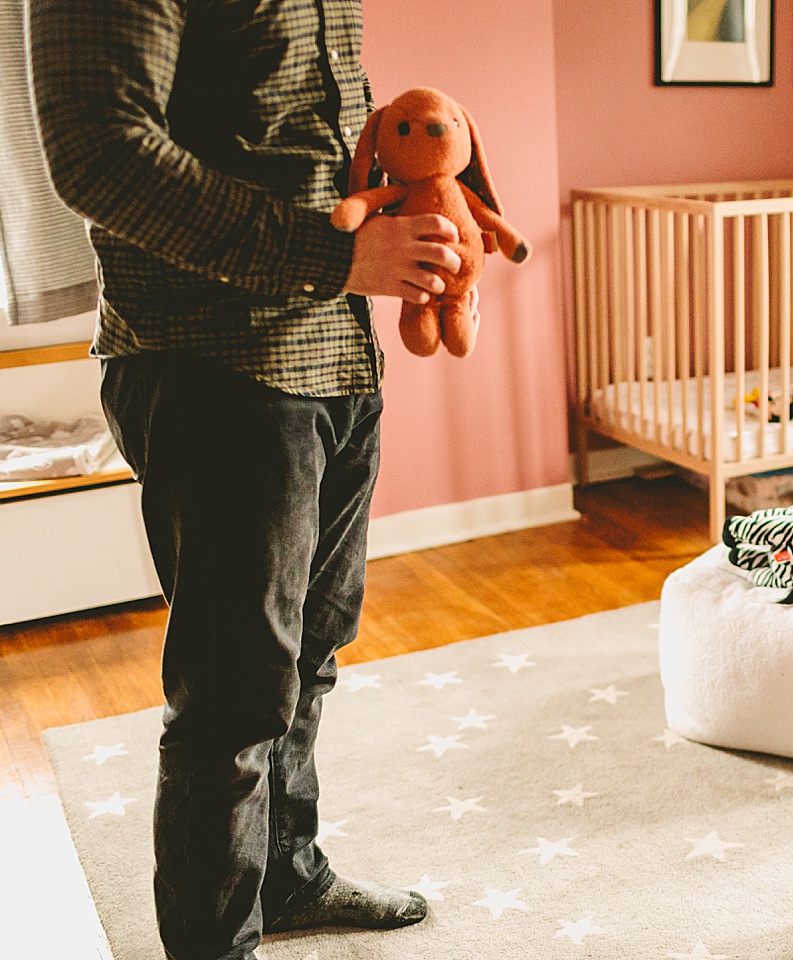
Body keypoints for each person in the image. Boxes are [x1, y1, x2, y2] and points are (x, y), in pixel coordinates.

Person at [28, 3, 467, 957]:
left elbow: (273, 120)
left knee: (310, 653)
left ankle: (286, 875)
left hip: (336, 352)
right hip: (214, 360)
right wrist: (335, 253)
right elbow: (97, 150)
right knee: (233, 694)